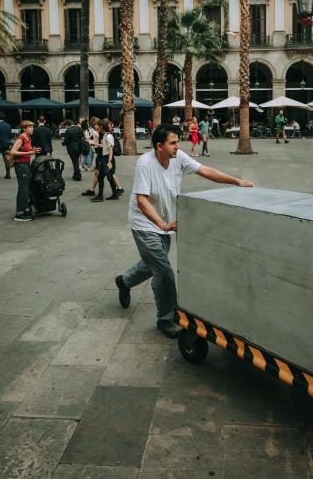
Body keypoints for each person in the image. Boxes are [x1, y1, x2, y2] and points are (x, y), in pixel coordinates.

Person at [115, 124, 254, 338]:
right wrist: (161, 224)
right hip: (145, 223)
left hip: (166, 223)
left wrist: (237, 181)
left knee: (152, 263)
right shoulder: (145, 163)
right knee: (163, 271)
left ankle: (124, 281)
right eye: (173, 143)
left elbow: (205, 171)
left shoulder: (177, 158)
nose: (177, 147)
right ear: (159, 146)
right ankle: (166, 318)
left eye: (178, 142)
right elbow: (141, 200)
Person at [10, 120, 41, 221]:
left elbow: (28, 151)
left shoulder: (28, 138)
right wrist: (29, 152)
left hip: (26, 164)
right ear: (24, 129)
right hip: (21, 165)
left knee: (27, 187)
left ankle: (25, 208)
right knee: (23, 189)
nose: (32, 129)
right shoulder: (21, 138)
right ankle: (19, 214)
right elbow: (13, 151)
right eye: (29, 127)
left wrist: (33, 151)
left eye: (32, 127)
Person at [91, 119, 119, 201]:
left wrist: (109, 161)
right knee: (101, 177)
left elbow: (111, 149)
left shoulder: (108, 136)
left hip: (107, 158)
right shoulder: (104, 135)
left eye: (98, 126)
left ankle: (111, 195)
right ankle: (103, 195)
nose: (96, 127)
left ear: (101, 127)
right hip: (104, 158)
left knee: (109, 177)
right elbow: (105, 146)